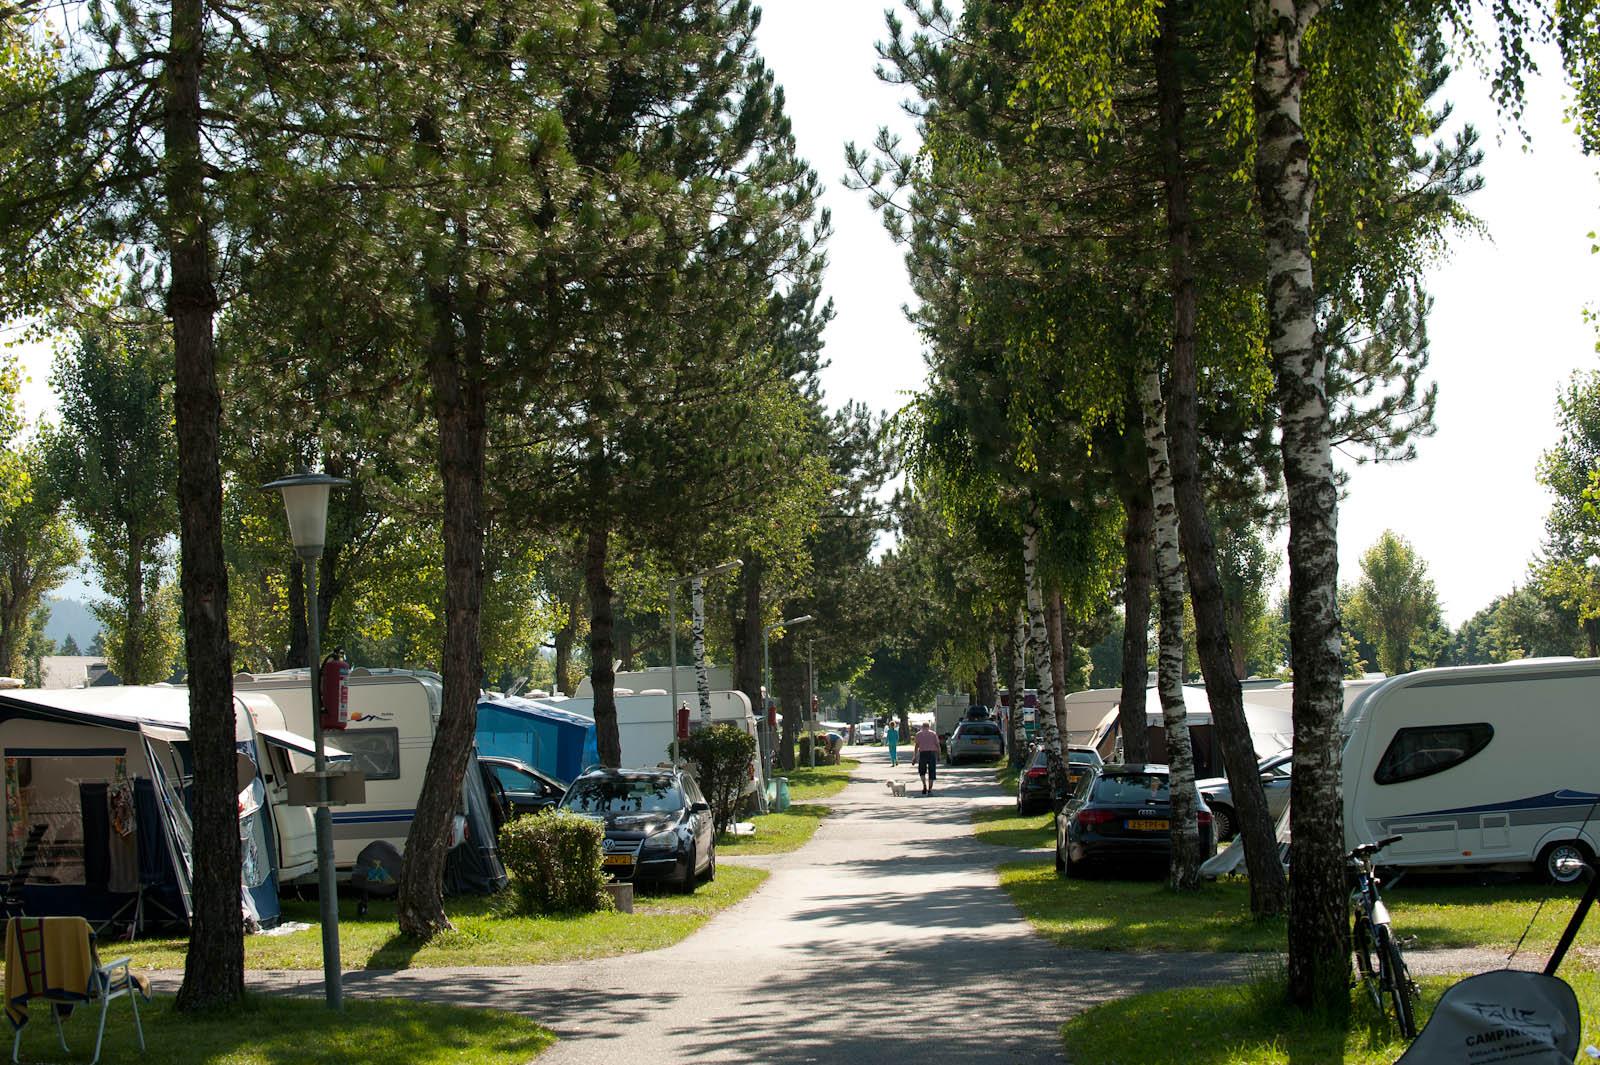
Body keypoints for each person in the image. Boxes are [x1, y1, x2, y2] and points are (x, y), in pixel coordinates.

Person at [913, 722, 940, 795]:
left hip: (923, 754)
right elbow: (938, 745)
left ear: (922, 727)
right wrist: (938, 755)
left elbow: (916, 746)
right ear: (929, 726)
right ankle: (930, 789)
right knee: (932, 771)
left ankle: (924, 785)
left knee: (922, 771)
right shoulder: (933, 734)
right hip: (932, 754)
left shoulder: (918, 734)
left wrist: (914, 756)